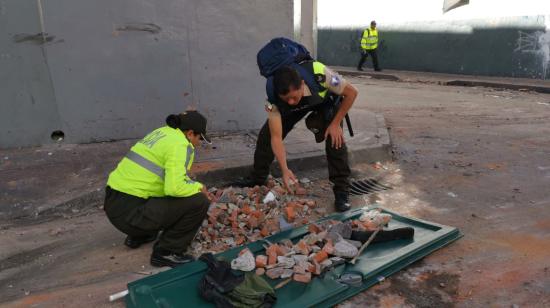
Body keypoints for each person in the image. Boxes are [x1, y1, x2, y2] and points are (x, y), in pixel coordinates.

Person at [247, 60, 358, 212]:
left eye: (293, 96)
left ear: (302, 84)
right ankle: (258, 179)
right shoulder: (271, 98)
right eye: (287, 99)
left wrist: (335, 124)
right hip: (294, 110)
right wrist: (285, 170)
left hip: (323, 102)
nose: (291, 102)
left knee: (335, 139)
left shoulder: (321, 74)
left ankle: (342, 191)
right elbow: (276, 137)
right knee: (265, 137)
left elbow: (352, 93)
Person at [104, 111, 211, 268]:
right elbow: (174, 188)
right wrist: (199, 187)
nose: (199, 143)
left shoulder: (162, 133)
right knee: (199, 201)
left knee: (167, 192)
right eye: (199, 138)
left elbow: (163, 176)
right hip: (131, 216)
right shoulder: (180, 145)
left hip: (114, 203)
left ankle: (139, 235)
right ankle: (166, 252)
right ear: (190, 133)